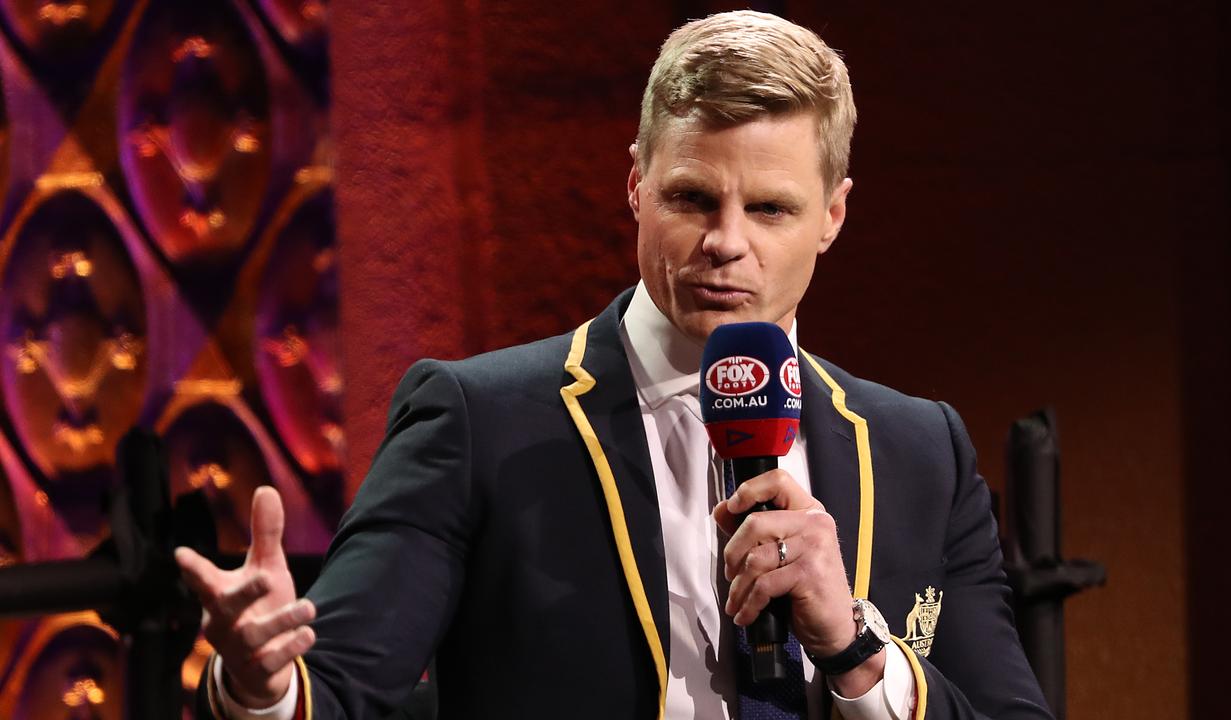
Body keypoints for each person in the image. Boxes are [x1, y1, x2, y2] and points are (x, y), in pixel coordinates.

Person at [177, 10, 1053, 720]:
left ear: (833, 215)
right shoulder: (479, 422)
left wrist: (859, 653)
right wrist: (260, 688)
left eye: (773, 209)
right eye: (691, 198)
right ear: (636, 184)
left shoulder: (920, 451)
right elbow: (335, 691)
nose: (726, 243)